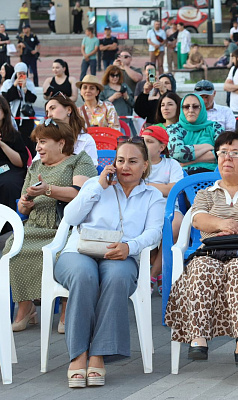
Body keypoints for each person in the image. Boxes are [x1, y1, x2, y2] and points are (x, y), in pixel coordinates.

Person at [54, 136, 165, 388]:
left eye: (133, 161)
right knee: (84, 276)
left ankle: (98, 354)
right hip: (79, 252)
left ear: (145, 165)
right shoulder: (96, 185)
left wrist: (130, 247)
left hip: (121, 255)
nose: (125, 166)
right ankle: (78, 354)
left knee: (117, 277)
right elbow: (70, 216)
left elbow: (154, 232)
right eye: (121, 160)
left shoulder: (152, 197)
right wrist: (97, 187)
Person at [165, 129, 238, 367]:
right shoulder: (207, 193)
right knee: (201, 267)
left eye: (235, 153)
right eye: (223, 152)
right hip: (212, 253)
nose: (227, 158)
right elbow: (197, 220)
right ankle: (198, 336)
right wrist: (221, 224)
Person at [4, 120, 96, 333]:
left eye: (43, 142)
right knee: (13, 247)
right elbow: (23, 207)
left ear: (61, 143)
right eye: (37, 142)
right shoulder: (36, 166)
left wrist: (48, 190)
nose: (37, 148)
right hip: (36, 225)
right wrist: (24, 204)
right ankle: (26, 308)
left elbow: (80, 194)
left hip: (66, 226)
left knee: (62, 254)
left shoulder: (80, 161)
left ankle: (66, 308)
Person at [140, 126, 183, 294]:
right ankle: (156, 274)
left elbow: (174, 189)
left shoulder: (171, 164)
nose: (144, 144)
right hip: (143, 208)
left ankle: (151, 274)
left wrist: (148, 185)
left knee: (176, 224)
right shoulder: (138, 163)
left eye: (149, 141)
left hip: (169, 208)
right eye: (142, 141)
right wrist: (162, 187)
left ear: (162, 147)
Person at [167, 93, 223, 174]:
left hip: (211, 174)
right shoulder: (173, 129)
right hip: (182, 175)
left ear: (202, 108)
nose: (191, 110)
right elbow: (178, 153)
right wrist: (208, 146)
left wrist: (189, 162)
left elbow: (223, 153)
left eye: (195, 106)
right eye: (186, 107)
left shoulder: (215, 127)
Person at [44, 93, 98, 166]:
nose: (49, 115)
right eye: (47, 112)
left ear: (69, 110)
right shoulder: (46, 139)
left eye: (53, 108)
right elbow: (35, 166)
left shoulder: (86, 140)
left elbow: (91, 169)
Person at [0, 96, 28, 219]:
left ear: (4, 112)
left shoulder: (12, 134)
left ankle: (9, 223)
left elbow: (21, 162)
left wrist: (1, 144)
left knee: (9, 183)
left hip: (10, 168)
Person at [1, 62, 37, 155]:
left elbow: (32, 99)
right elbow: (6, 98)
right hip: (13, 115)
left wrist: (25, 89)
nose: (21, 76)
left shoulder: (29, 84)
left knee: (27, 139)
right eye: (19, 74)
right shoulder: (8, 83)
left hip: (26, 117)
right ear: (15, 73)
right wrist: (14, 86)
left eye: (23, 74)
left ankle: (29, 158)